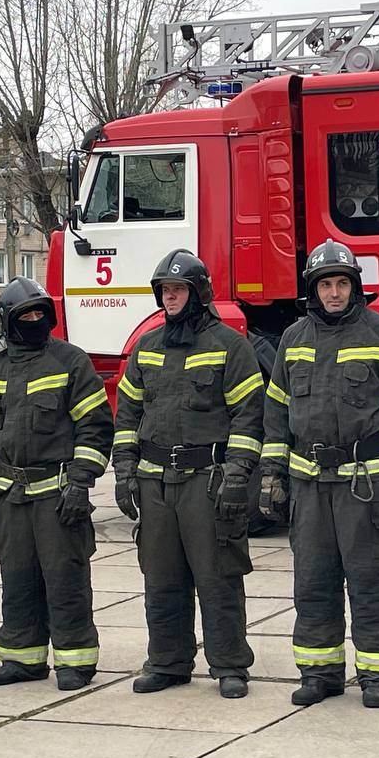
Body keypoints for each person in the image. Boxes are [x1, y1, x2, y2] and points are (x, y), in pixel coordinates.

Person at [260, 239, 379, 709]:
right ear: (312, 291)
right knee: (313, 580)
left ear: (354, 287)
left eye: (341, 283)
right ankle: (320, 672)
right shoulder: (293, 340)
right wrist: (271, 475)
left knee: (372, 579)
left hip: (366, 486)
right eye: (325, 285)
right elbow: (275, 416)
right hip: (309, 487)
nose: (333, 293)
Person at [112, 249, 264, 699]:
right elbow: (127, 415)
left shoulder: (230, 347)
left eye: (178, 289)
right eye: (165, 290)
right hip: (154, 483)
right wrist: (124, 472)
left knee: (217, 578)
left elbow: (248, 418)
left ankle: (230, 664)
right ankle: (167, 662)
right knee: (160, 579)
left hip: (207, 481)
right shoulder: (147, 347)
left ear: (198, 293)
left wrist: (237, 477)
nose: (170, 296)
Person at [0, 277, 113, 690]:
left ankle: (75, 661)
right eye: (25, 316)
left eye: (39, 314)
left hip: (57, 495)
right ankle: (21, 658)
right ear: (8, 322)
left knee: (65, 578)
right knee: (16, 579)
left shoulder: (71, 361)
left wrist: (80, 484)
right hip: (9, 497)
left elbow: (95, 427)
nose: (34, 321)